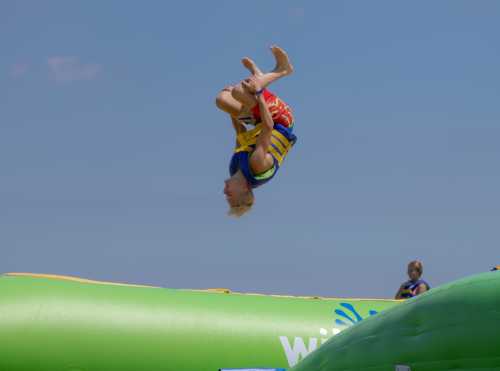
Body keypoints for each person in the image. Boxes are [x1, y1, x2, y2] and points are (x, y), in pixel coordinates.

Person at [215, 45, 296, 217]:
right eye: (231, 198)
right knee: (240, 92)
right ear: (244, 190)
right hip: (280, 120)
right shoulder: (257, 167)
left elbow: (241, 134)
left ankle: (259, 77)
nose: (225, 194)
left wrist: (229, 110)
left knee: (222, 100)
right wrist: (258, 94)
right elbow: (268, 127)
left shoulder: (234, 168)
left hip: (262, 120)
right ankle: (282, 70)